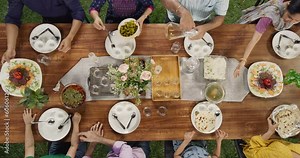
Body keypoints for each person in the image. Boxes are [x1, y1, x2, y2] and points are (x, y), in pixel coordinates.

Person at [1, 0, 86, 64]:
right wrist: (11, 49)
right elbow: (12, 18)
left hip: (72, 21)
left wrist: (70, 37)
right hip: (49, 21)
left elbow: (78, 11)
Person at [234, 0, 300, 77]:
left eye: (297, 20)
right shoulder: (270, 14)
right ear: (287, 4)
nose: (291, 22)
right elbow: (255, 39)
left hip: (269, 30)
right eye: (289, 17)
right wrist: (243, 60)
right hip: (254, 25)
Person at [160, 0, 229, 40]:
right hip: (175, 22)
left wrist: (205, 28)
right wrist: (183, 12)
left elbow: (220, 16)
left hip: (201, 24)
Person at [80, 122, 150, 158]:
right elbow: (125, 148)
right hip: (139, 150)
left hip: (115, 153)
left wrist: (93, 144)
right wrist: (98, 139)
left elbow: (86, 157)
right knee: (145, 127)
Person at [89, 0, 154, 30]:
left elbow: (150, 6)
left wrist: (143, 17)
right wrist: (96, 17)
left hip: (138, 20)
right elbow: (94, 7)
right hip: (114, 21)